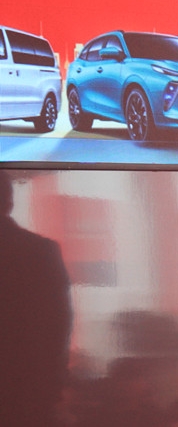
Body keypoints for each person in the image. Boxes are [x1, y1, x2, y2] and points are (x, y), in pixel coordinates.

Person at [0, 170, 72, 426]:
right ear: (9, 202)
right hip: (29, 391)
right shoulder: (41, 251)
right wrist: (52, 385)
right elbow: (59, 325)